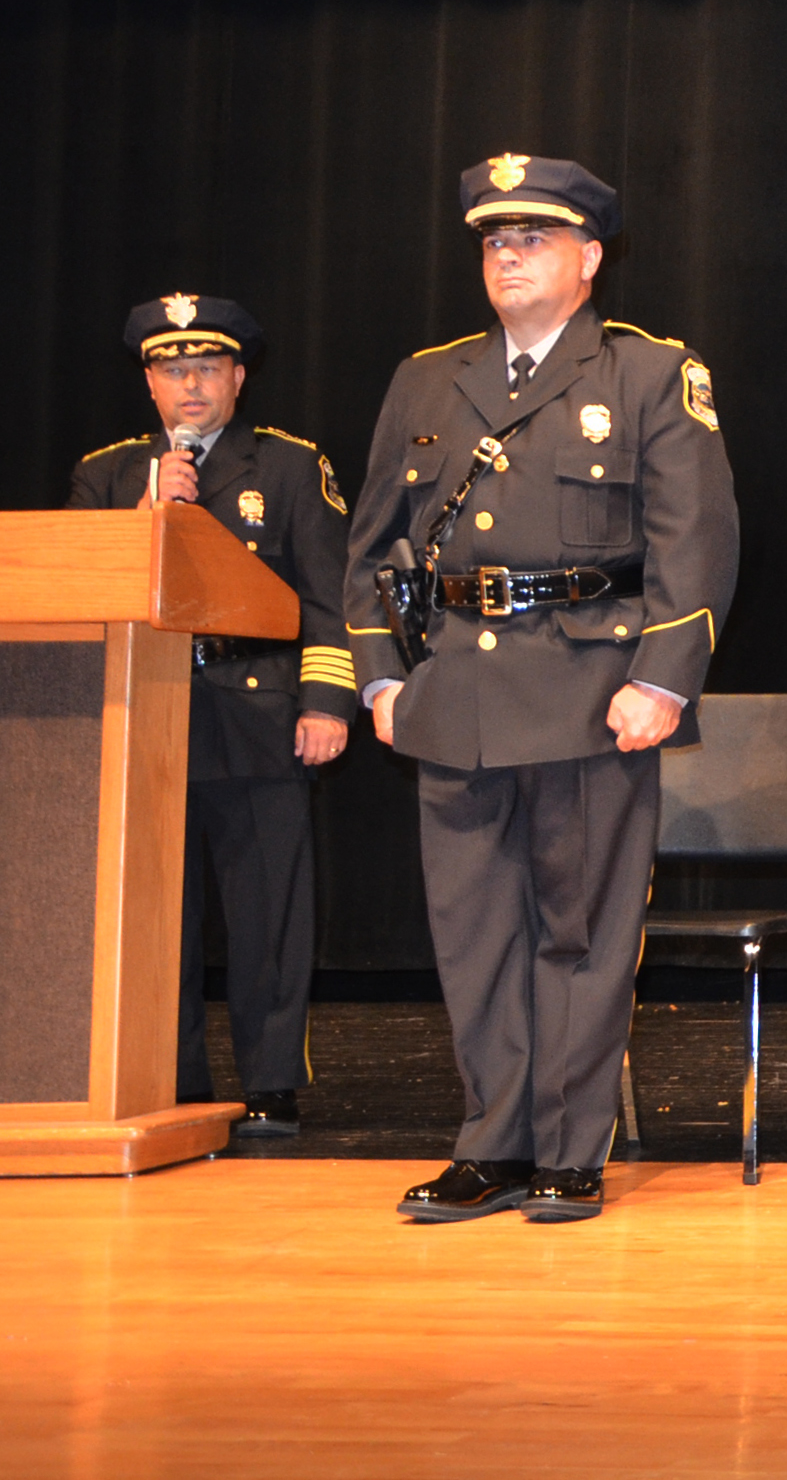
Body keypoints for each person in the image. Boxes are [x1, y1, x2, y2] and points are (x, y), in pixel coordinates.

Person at [345, 155, 739, 1223]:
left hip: (588, 690)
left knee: (579, 930)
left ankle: (568, 1146)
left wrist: (660, 681)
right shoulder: (428, 379)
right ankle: (493, 1142)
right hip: (455, 699)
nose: (509, 255)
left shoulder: (650, 374)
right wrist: (382, 677)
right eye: (494, 241)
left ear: (591, 257)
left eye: (534, 238)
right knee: (474, 934)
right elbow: (371, 547)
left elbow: (694, 547)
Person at [70, 294, 353, 1136]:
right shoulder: (109, 473)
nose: (189, 385)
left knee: (268, 908)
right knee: (157, 916)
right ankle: (170, 1079)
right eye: (170, 369)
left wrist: (328, 699)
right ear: (150, 383)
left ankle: (269, 1081)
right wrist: (147, 513)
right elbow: (82, 589)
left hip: (258, 710)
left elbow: (331, 596)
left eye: (206, 368)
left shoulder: (291, 467)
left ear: (237, 377)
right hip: (141, 718)